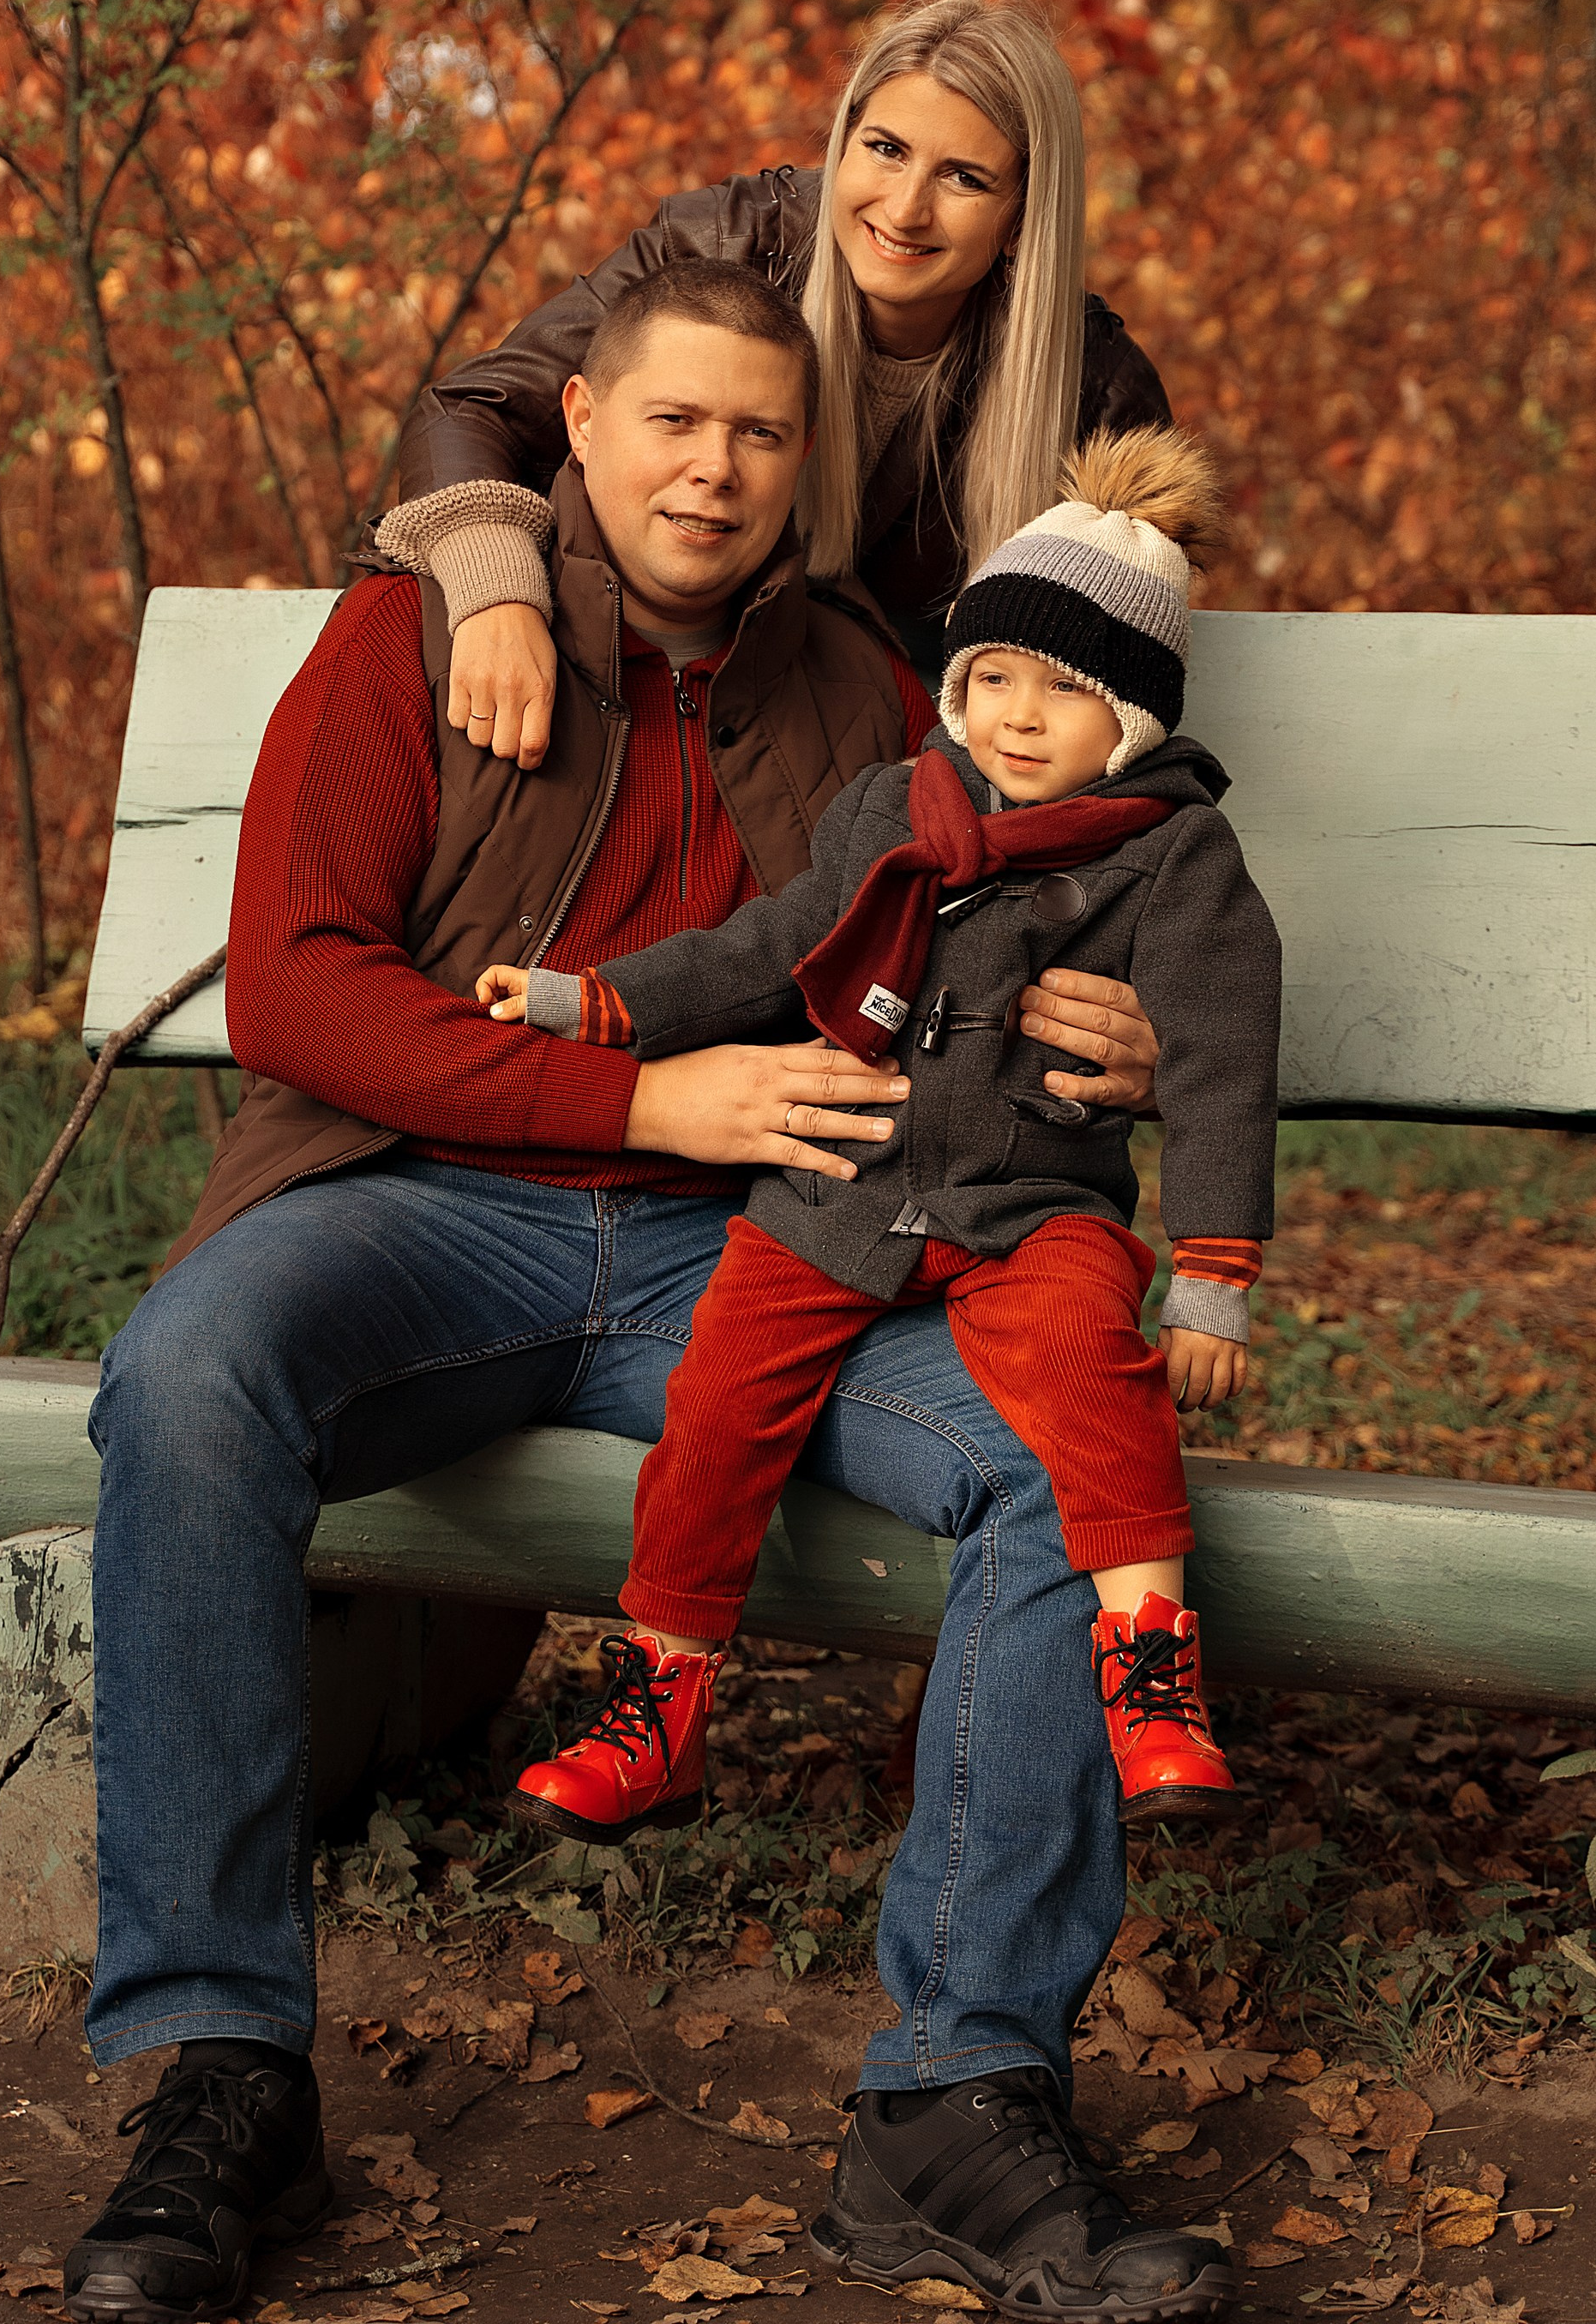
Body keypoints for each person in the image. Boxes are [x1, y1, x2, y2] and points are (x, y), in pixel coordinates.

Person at [64, 259, 1229, 2324]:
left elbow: (1027, 917)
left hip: (768, 1246)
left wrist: (1121, 1032)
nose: (714, 467)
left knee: (1059, 1454)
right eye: (673, 420)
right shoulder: (415, 632)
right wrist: (632, 1090)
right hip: (417, 1209)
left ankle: (954, 2098)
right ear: (581, 428)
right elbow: (300, 986)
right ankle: (222, 2062)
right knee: (189, 1374)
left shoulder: (866, 683)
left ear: (805, 464)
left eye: (761, 432)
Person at [481, 428, 1279, 1846]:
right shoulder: (895, 810)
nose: (1021, 717)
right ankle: (662, 1702)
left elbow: (1220, 1060)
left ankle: (1152, 1680)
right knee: (717, 1404)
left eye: (1068, 691)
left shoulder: (1173, 856)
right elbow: (769, 945)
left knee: (1098, 1371)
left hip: (1032, 1203)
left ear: (1132, 723)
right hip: (836, 1194)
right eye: (995, 678)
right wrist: (602, 998)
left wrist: (1212, 1273)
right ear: (958, 687)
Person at [387, 0, 1167, 772]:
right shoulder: (726, 243)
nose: (904, 210)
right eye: (885, 149)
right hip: (625, 706)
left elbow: (1104, 690)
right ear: (843, 141)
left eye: (963, 178)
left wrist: (951, 779)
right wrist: (498, 593)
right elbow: (470, 411)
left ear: (1023, 212)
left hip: (894, 761)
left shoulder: (1093, 388)